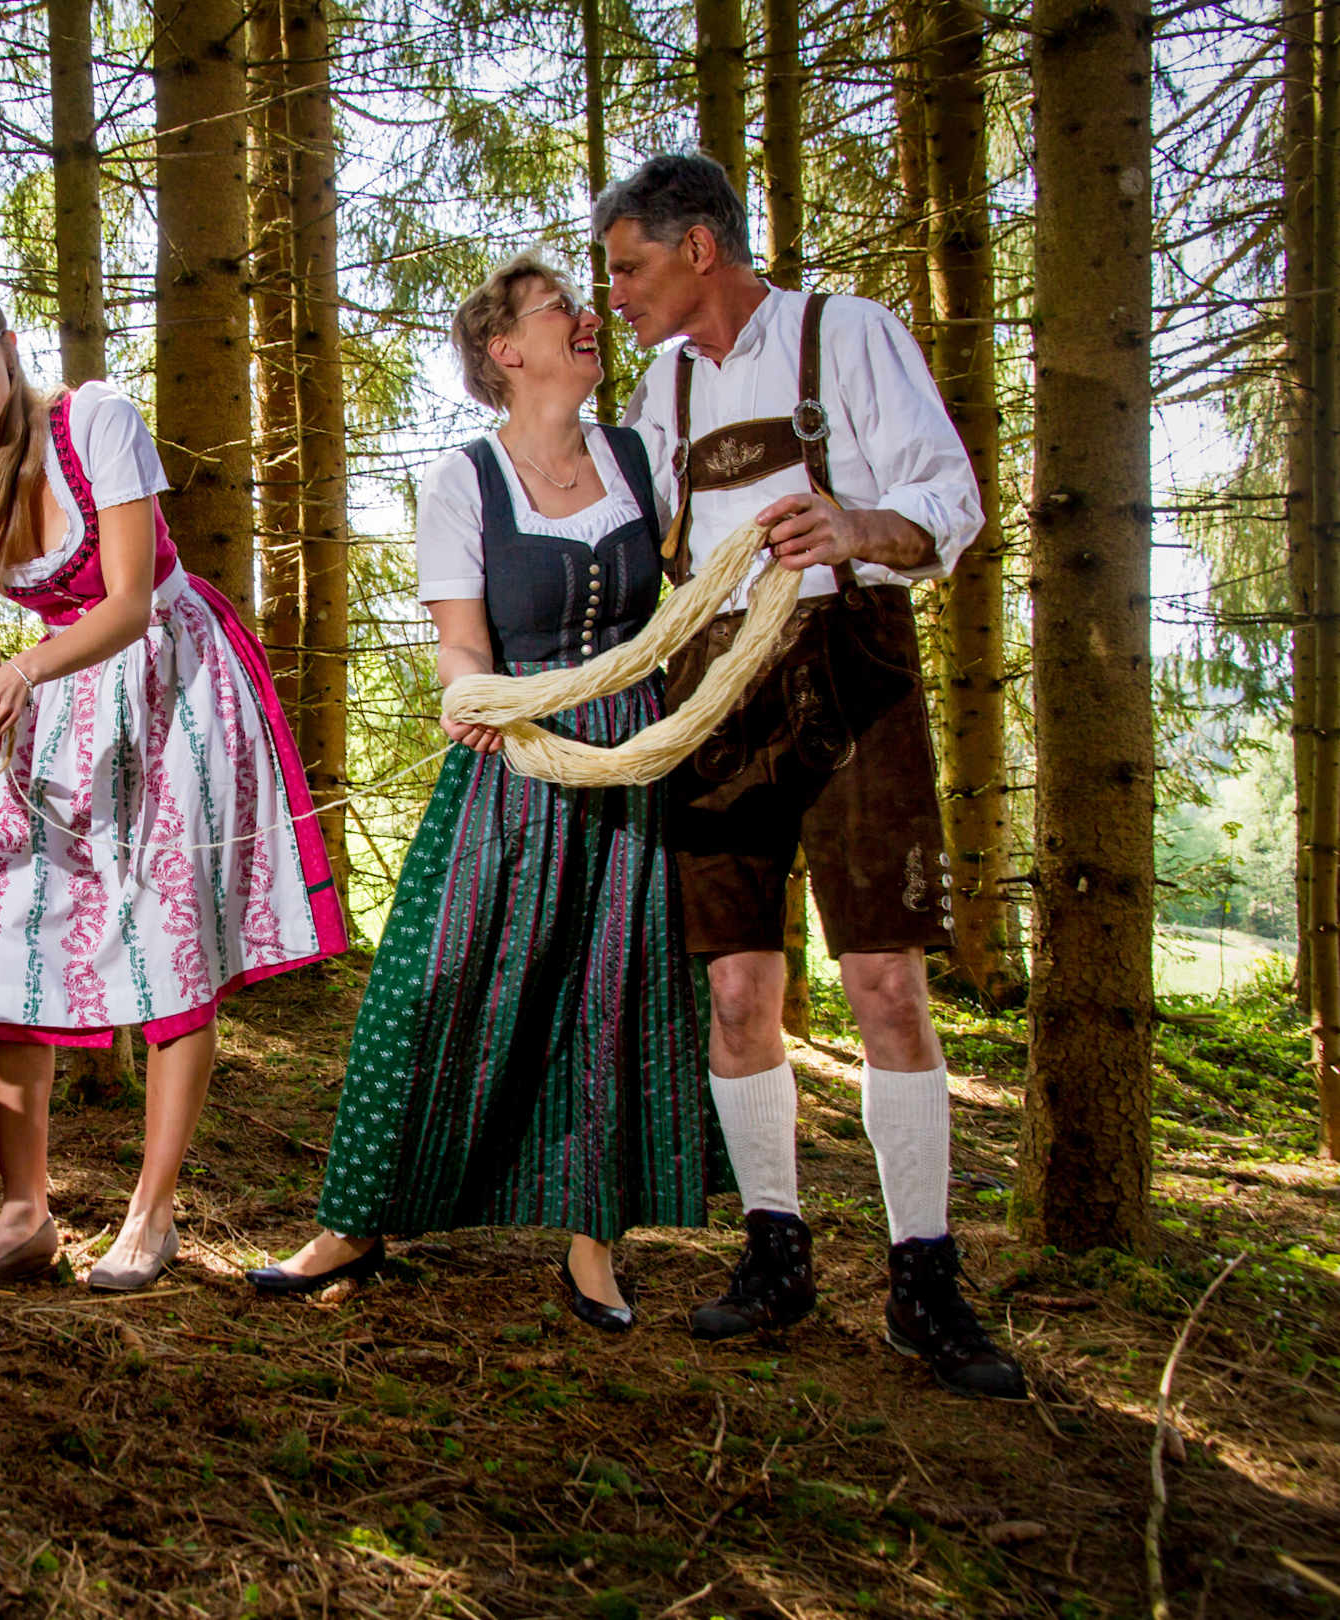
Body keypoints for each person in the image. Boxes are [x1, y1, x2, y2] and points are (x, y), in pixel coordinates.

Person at [599, 152, 1024, 1398]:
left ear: (699, 250)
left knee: (886, 979)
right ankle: (775, 1253)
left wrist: (855, 525)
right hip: (713, 690)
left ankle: (924, 1278)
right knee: (738, 990)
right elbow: (633, 546)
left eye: (629, 268)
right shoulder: (663, 389)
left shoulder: (850, 335)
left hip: (850, 667)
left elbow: (952, 502)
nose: (617, 293)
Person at [244, 254, 712, 1328]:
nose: (590, 318)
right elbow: (460, 642)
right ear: (507, 350)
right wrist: (472, 695)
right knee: (433, 978)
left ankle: (594, 1244)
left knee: (614, 986)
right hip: (516, 749)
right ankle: (355, 1223)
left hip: (634, 757)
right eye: (562, 310)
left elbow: (700, 580)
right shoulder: (465, 479)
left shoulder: (642, 453)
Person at [0, 271, 348, 1292]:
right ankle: (23, 1215)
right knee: (7, 926)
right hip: (55, 702)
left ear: (7, 347)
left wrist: (17, 677)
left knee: (168, 933)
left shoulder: (93, 421)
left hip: (174, 683)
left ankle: (152, 1212)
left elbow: (130, 601)